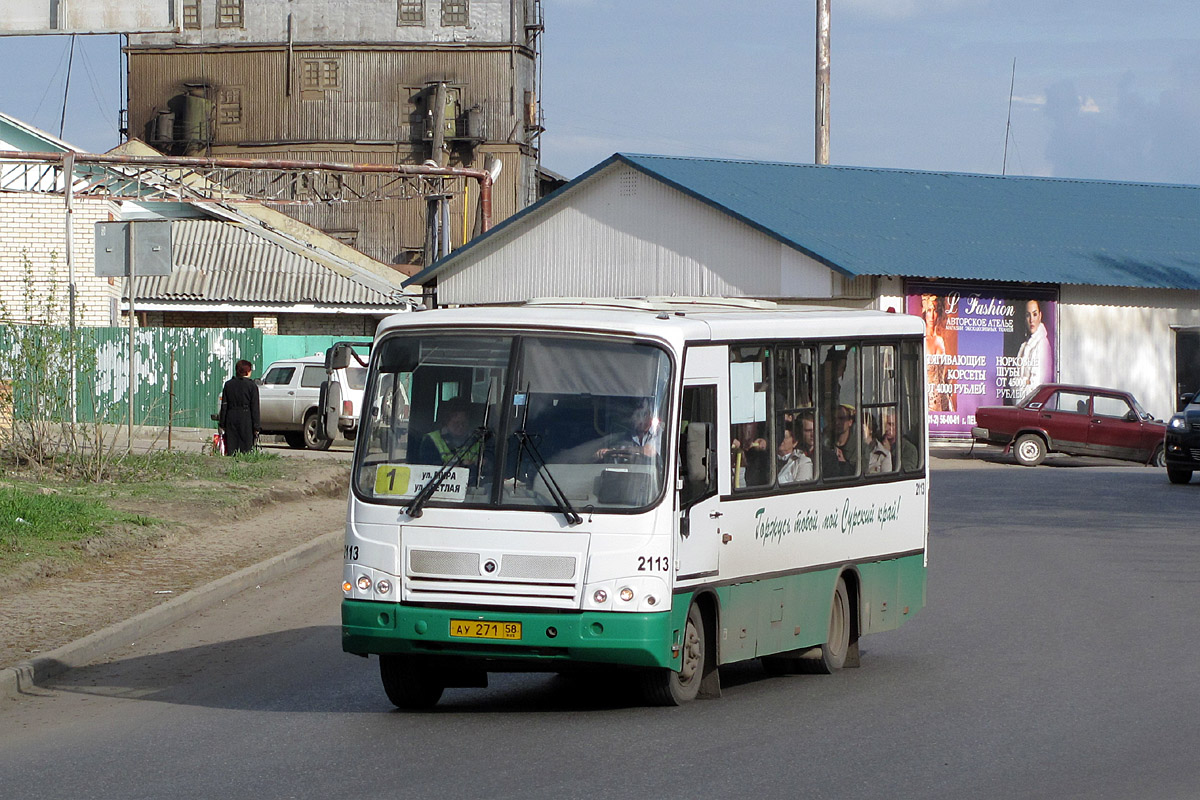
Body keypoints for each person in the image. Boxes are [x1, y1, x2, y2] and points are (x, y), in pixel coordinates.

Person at [420, 396, 481, 467]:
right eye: (456, 423)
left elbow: (490, 462)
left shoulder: (478, 440)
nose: (460, 427)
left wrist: (484, 463)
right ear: (446, 421)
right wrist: (461, 465)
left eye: (464, 423)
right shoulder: (431, 440)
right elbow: (428, 468)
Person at [596, 399, 661, 461]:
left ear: (649, 415)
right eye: (634, 415)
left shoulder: (659, 433)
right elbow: (619, 449)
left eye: (641, 414)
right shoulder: (628, 435)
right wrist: (608, 452)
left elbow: (649, 451)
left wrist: (626, 450)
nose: (635, 418)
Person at [219, 359, 260, 455]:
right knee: (245, 447)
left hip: (231, 416)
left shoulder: (228, 385)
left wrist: (222, 423)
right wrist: (256, 426)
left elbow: (224, 405)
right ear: (247, 371)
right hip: (246, 418)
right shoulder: (252, 386)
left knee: (231, 446)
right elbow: (255, 407)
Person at [1016, 299, 1053, 397]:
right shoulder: (1023, 347)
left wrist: (1021, 381)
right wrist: (1025, 381)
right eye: (1028, 315)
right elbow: (1013, 383)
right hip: (1020, 408)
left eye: (1035, 314)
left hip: (1033, 409)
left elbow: (1037, 387)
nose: (1031, 320)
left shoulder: (1043, 345)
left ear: (1040, 316)